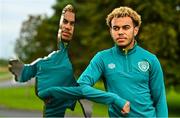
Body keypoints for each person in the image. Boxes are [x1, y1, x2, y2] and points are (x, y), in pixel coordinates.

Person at [38, 6, 168, 117]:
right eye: (116, 28)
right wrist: (114, 99)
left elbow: (160, 99)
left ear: (135, 30)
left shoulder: (150, 59)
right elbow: (82, 87)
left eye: (126, 27)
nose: (120, 32)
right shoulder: (102, 58)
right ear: (111, 31)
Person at [8, 4, 92, 117]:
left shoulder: (76, 59)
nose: (68, 27)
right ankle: (23, 71)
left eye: (72, 23)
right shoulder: (50, 59)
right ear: (60, 24)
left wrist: (85, 100)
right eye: (65, 22)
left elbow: (82, 87)